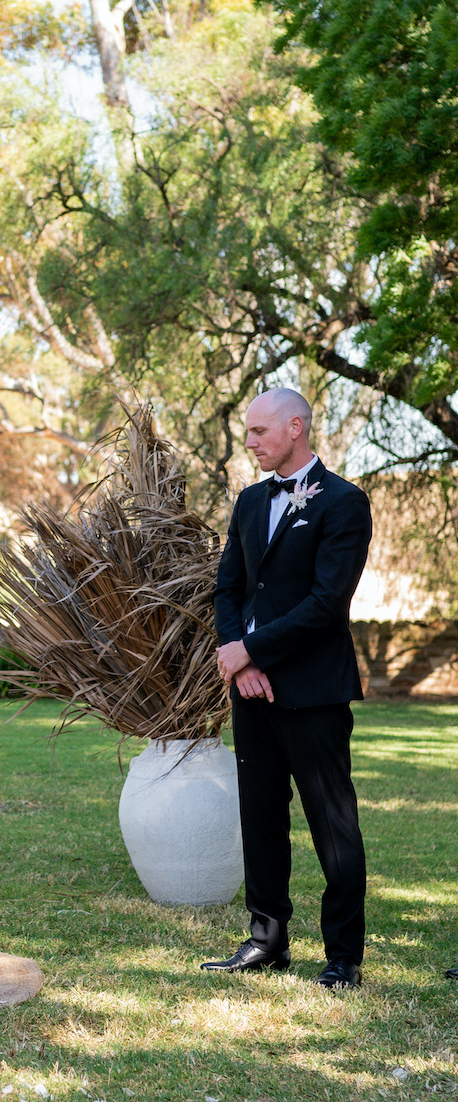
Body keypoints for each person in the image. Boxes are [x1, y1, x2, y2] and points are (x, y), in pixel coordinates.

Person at [203, 387, 373, 991]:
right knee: (260, 816)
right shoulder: (250, 501)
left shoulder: (345, 502)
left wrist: (253, 650)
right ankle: (266, 940)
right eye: (248, 432)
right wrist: (240, 661)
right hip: (250, 691)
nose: (249, 442)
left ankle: (343, 956)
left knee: (333, 824)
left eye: (259, 431)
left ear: (295, 427)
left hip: (314, 692)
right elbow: (229, 589)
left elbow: (327, 603)